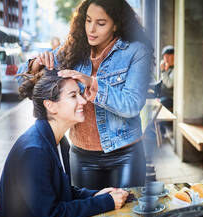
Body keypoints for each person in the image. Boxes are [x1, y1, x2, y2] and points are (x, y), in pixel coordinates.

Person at [0, 69, 128, 217]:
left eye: (80, 94)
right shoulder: (34, 151)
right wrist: (104, 203)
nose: (83, 100)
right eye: (73, 96)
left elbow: (61, 191)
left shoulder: (60, 140)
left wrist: (96, 194)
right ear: (50, 105)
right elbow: (51, 213)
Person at [18, 0, 153, 190]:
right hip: (82, 155)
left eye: (101, 23)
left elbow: (132, 104)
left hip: (125, 154)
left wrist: (92, 83)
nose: (91, 29)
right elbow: (21, 80)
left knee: (124, 216)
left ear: (116, 24)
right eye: (88, 20)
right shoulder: (73, 49)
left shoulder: (136, 51)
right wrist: (35, 65)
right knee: (88, 216)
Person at [159, 45, 174, 111]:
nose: (166, 59)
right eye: (165, 57)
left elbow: (169, 84)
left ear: (174, 56)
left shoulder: (175, 69)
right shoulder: (169, 67)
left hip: (171, 98)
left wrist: (163, 71)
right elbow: (162, 81)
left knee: (160, 103)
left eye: (168, 56)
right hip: (164, 95)